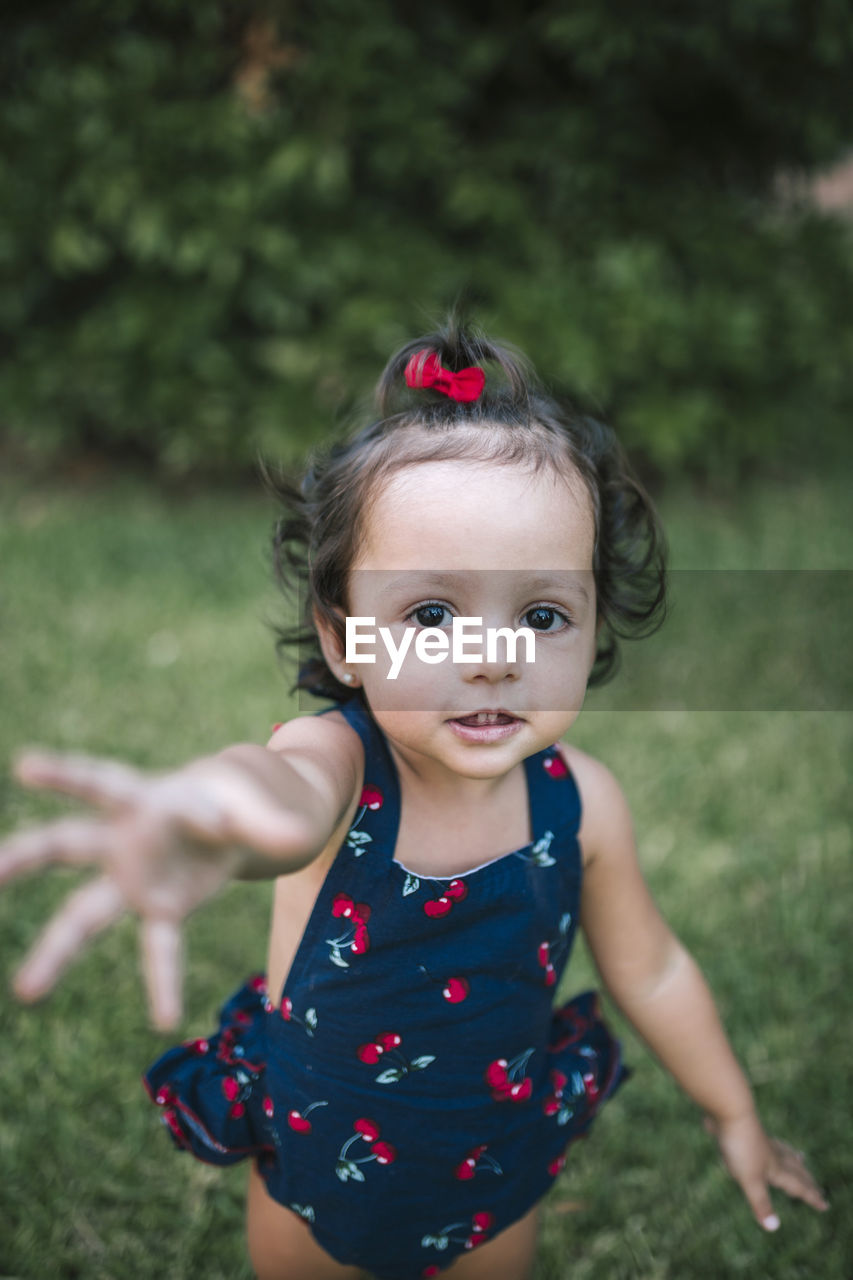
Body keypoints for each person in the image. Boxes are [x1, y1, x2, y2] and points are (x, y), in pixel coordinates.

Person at [0, 322, 828, 1280]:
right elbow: (277, 792)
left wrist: (734, 1111)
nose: (490, 655)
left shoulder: (583, 806)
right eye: (430, 612)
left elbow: (651, 972)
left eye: (542, 613)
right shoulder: (338, 766)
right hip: (314, 1170)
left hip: (488, 1176)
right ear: (345, 639)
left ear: (595, 621)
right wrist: (211, 812)